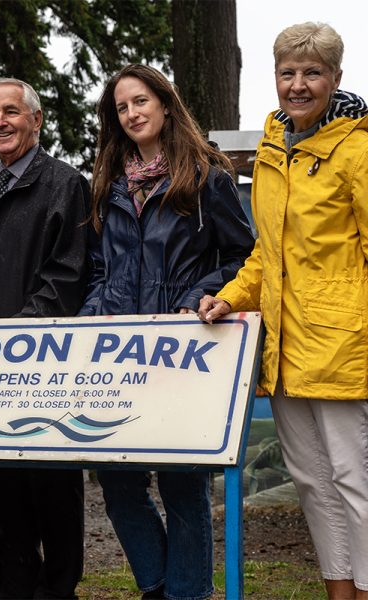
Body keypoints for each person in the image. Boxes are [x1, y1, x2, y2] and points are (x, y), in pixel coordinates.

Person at [199, 22, 368, 599]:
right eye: (288, 73)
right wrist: (229, 298)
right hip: (287, 349)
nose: (298, 85)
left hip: (347, 347)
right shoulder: (273, 149)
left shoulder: (358, 150)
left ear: (336, 78)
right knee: (313, 484)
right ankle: (339, 590)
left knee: (356, 481)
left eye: (312, 73)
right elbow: (266, 256)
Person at [79, 63, 254, 600]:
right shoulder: (106, 184)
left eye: (140, 101)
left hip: (186, 349)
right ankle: (158, 586)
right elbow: (98, 268)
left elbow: (243, 255)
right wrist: (92, 314)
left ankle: (187, 593)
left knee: (182, 483)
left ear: (164, 103)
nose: (132, 113)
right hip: (116, 355)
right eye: (121, 107)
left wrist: (194, 297)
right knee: (117, 482)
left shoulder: (208, 176)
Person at [0, 78, 89, 600]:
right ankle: (11, 586)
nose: (0, 123)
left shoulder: (64, 183)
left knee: (51, 479)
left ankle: (59, 589)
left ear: (36, 120)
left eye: (11, 112)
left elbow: (68, 272)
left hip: (43, 360)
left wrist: (18, 335)